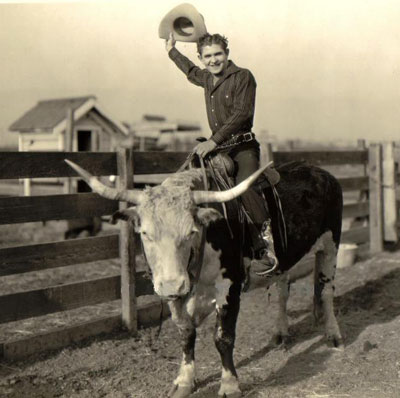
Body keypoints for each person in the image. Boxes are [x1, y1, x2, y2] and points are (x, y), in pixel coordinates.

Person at [165, 32, 278, 276]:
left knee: (244, 187)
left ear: (226, 54)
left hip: (242, 147)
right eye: (208, 56)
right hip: (217, 149)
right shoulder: (206, 78)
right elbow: (190, 71)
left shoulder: (243, 77)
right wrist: (172, 51)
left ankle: (266, 248)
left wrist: (213, 141)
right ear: (202, 58)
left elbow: (242, 114)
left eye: (218, 54)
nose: (213, 60)